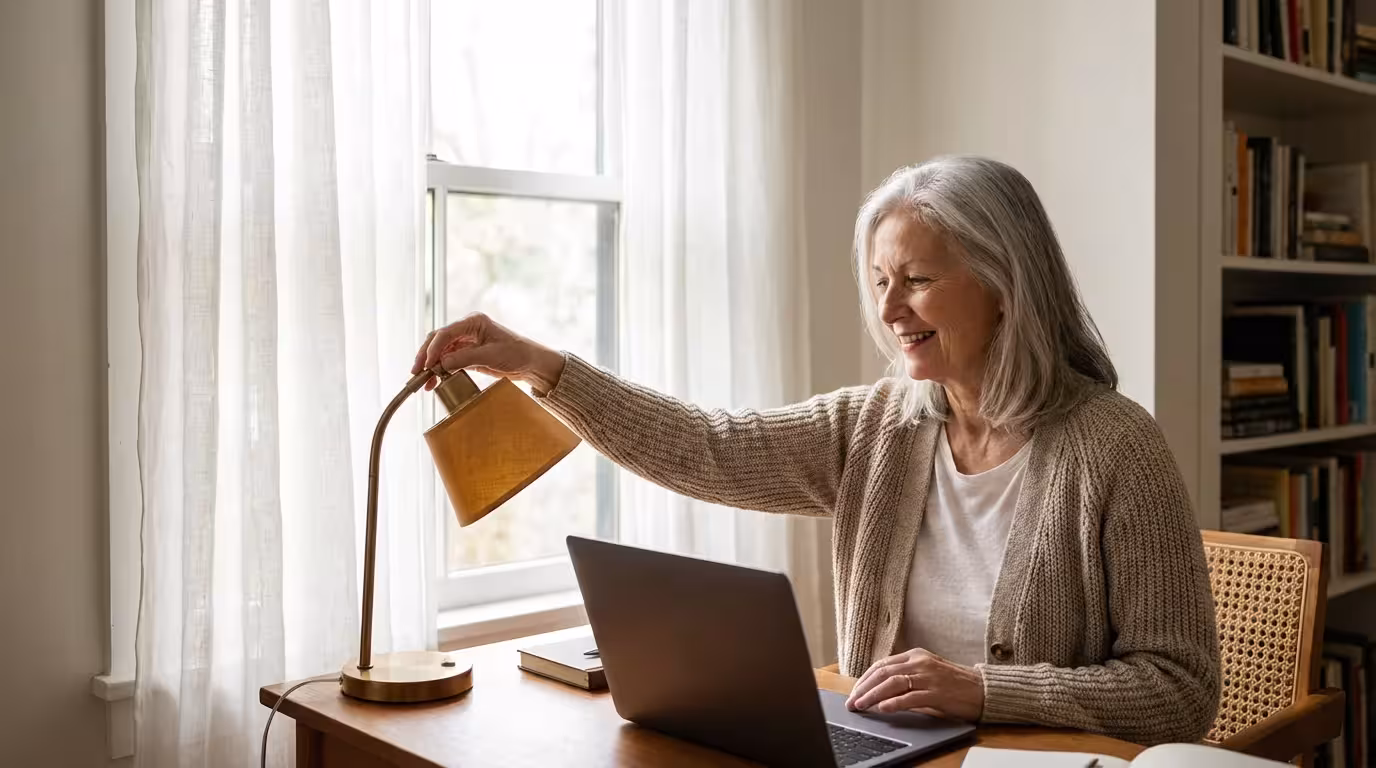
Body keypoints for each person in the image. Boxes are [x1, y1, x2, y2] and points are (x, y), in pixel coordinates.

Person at [413, 156, 1220, 745]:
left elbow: (1180, 694)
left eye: (918, 280)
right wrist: (537, 366)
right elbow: (706, 449)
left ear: (1005, 284)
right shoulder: (876, 427)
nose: (891, 308)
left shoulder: (1116, 447)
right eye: (879, 281)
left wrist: (982, 690)